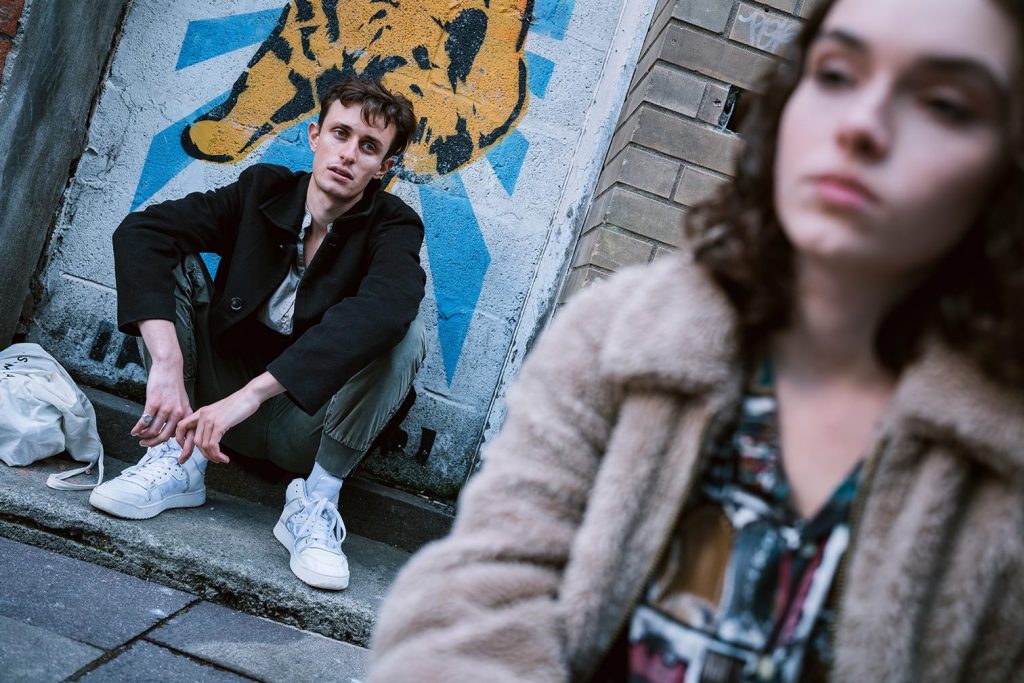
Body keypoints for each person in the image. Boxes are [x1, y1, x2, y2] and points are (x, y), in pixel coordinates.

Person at [367, 0, 1024, 679]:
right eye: (835, 74)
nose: (862, 125)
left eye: (944, 104)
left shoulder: (1003, 446)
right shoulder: (624, 338)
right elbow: (468, 612)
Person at [89, 78, 426, 592]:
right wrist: (167, 364)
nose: (348, 154)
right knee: (170, 255)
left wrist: (250, 396)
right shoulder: (262, 190)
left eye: (368, 147)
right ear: (314, 136)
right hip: (209, 403)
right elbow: (142, 233)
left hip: (305, 427)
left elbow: (387, 308)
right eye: (340, 134)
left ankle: (316, 502)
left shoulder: (394, 224)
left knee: (404, 333)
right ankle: (176, 457)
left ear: (383, 168)